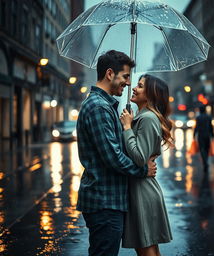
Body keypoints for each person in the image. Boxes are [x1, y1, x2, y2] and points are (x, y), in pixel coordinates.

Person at [76, 50, 157, 256]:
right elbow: (113, 157)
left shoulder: (106, 106)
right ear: (110, 74)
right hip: (104, 201)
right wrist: (142, 171)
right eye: (125, 77)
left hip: (108, 201)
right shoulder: (98, 107)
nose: (128, 83)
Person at [120, 74, 173, 256]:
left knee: (146, 249)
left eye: (140, 86)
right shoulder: (143, 117)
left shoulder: (148, 118)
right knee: (148, 248)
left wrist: (127, 128)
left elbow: (140, 158)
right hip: (139, 189)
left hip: (142, 192)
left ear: (151, 95)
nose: (134, 88)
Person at [193, 105, 214, 172]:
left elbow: (196, 127)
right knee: (207, 148)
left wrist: (194, 134)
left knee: (202, 148)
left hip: (201, 135)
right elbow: (211, 126)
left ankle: (205, 162)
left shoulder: (198, 118)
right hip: (207, 135)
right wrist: (212, 134)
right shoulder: (208, 117)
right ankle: (206, 161)